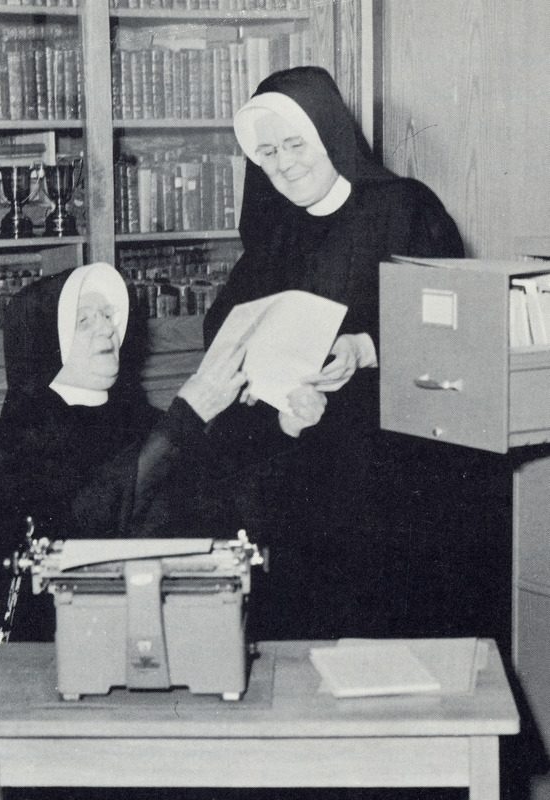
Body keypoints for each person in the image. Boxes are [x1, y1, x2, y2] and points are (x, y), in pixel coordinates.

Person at [203, 66, 508, 644]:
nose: (284, 163)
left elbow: (464, 329)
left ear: (329, 135)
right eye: (267, 153)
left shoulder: (404, 208)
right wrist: (255, 375)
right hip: (302, 464)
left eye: (296, 144)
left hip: (398, 464)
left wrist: (365, 348)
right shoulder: (276, 230)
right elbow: (225, 325)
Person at [0, 262, 247, 646]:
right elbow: (78, 536)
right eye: (84, 321)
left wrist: (285, 425)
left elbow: (223, 499)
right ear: (45, 340)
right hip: (64, 642)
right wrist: (183, 422)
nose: (107, 327)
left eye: (107, 314)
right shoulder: (11, 444)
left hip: (173, 621)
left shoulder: (144, 419)